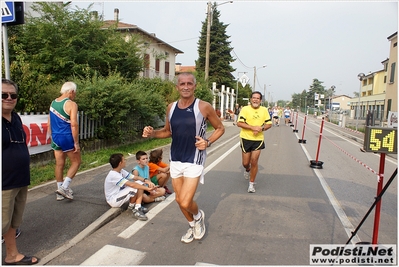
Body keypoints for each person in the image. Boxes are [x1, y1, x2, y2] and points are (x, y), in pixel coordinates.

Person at [142, 72, 225, 243]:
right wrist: (152, 133)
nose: (186, 87)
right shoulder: (171, 107)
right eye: (182, 84)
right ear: (177, 87)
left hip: (194, 159)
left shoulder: (203, 107)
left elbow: (220, 128)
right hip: (176, 159)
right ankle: (192, 224)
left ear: (194, 86)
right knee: (179, 200)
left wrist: (207, 142)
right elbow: (167, 131)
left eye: (189, 83)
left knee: (186, 201)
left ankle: (198, 216)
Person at [2, 78, 39, 265]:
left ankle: (11, 255)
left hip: (20, 179)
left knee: (12, 223)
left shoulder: (15, 118)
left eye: (12, 95)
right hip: (3, 183)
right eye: (3, 95)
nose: (9, 98)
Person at [48, 81, 81, 201]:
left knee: (59, 164)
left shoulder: (53, 103)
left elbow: (49, 122)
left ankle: (59, 190)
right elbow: (73, 124)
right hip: (66, 137)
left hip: (55, 137)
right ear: (71, 91)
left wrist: (51, 136)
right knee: (76, 162)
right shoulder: (71, 104)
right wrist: (76, 142)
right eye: (75, 93)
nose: (75, 95)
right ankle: (64, 187)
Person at [236, 91, 272, 193]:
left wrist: (261, 128)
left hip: (258, 139)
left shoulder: (264, 110)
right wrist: (252, 128)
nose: (255, 100)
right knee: (246, 163)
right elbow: (239, 123)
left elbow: (269, 124)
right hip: (246, 138)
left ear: (260, 100)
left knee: (254, 161)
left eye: (257, 98)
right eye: (254, 98)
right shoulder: (245, 109)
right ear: (251, 99)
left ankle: (251, 184)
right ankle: (247, 169)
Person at [104, 153, 155, 221]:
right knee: (133, 188)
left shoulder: (121, 171)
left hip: (119, 194)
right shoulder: (113, 175)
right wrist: (148, 188)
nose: (125, 160)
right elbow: (131, 184)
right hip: (114, 199)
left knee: (139, 183)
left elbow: (134, 177)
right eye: (124, 160)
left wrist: (146, 180)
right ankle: (136, 210)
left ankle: (136, 206)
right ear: (120, 163)